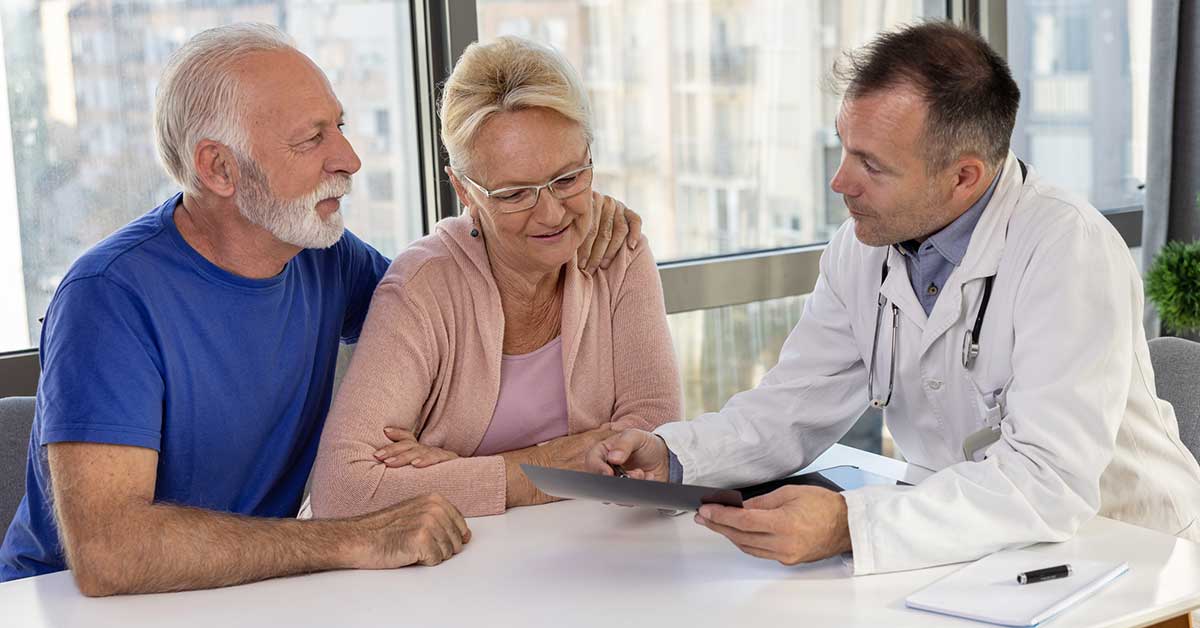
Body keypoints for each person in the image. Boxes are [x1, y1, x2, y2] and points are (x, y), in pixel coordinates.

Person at [0, 24, 638, 594]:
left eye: (341, 125)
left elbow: (461, 318)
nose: (350, 160)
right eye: (312, 139)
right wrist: (356, 536)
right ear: (219, 168)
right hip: (66, 607)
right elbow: (112, 554)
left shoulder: (323, 255)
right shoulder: (108, 297)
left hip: (257, 589)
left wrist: (565, 218)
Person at [587, 22, 1200, 576]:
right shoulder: (863, 246)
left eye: (871, 165)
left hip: (1123, 553)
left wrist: (849, 525)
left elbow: (1046, 480)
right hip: (956, 544)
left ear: (964, 176)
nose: (840, 181)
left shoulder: (1068, 249)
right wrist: (674, 455)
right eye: (843, 146)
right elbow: (792, 407)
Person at [309, 36, 680, 519]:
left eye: (568, 179)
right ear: (463, 189)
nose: (551, 213)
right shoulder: (424, 285)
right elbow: (342, 491)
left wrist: (457, 472)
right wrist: (545, 465)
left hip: (599, 558)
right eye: (514, 194)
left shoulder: (617, 253)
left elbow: (655, 446)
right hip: (455, 574)